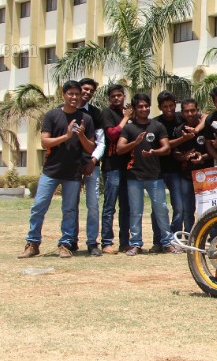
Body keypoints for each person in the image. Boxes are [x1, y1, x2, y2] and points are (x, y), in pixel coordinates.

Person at [18, 81, 95, 258]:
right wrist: (67, 136)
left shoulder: (86, 119)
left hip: (73, 173)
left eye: (77, 94)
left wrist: (81, 136)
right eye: (71, 94)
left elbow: (90, 149)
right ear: (63, 95)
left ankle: (65, 244)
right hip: (51, 171)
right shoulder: (52, 115)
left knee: (69, 210)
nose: (74, 97)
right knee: (39, 206)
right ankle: (32, 243)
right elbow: (44, 142)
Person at [116, 93, 180, 255]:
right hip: (134, 177)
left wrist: (154, 152)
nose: (144, 109)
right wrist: (135, 143)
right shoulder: (129, 127)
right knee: (135, 211)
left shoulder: (157, 126)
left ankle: (167, 242)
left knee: (161, 210)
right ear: (135, 109)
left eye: (146, 106)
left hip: (155, 176)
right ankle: (136, 243)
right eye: (140, 106)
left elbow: (166, 148)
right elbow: (119, 149)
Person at [154, 91, 190, 247]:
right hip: (158, 170)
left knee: (179, 207)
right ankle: (158, 240)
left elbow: (202, 118)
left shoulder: (182, 118)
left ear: (176, 104)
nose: (168, 109)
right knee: (158, 208)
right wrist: (183, 139)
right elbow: (166, 146)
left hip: (176, 170)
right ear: (160, 107)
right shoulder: (155, 123)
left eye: (171, 105)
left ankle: (175, 239)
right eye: (165, 106)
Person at [101, 84, 133, 253]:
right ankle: (106, 242)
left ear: (124, 96)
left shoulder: (129, 114)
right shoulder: (107, 113)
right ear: (109, 98)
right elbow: (112, 135)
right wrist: (126, 118)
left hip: (128, 167)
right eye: (113, 96)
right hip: (112, 166)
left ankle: (124, 242)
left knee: (126, 207)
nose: (116, 98)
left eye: (119, 95)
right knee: (109, 205)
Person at [171, 98, 210, 231]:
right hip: (186, 176)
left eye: (192, 110)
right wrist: (183, 156)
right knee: (188, 210)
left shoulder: (207, 127)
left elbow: (214, 151)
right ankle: (189, 236)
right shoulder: (179, 130)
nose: (190, 114)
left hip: (207, 176)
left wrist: (202, 157)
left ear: (197, 110)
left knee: (208, 209)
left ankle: (212, 236)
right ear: (182, 113)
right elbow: (174, 152)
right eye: (186, 111)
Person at [77, 77, 105, 255]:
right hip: (70, 167)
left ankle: (92, 242)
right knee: (70, 205)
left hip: (91, 165)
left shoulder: (96, 113)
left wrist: (93, 161)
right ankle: (69, 241)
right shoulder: (65, 110)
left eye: (91, 91)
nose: (87, 92)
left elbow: (101, 142)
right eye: (85, 89)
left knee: (93, 205)